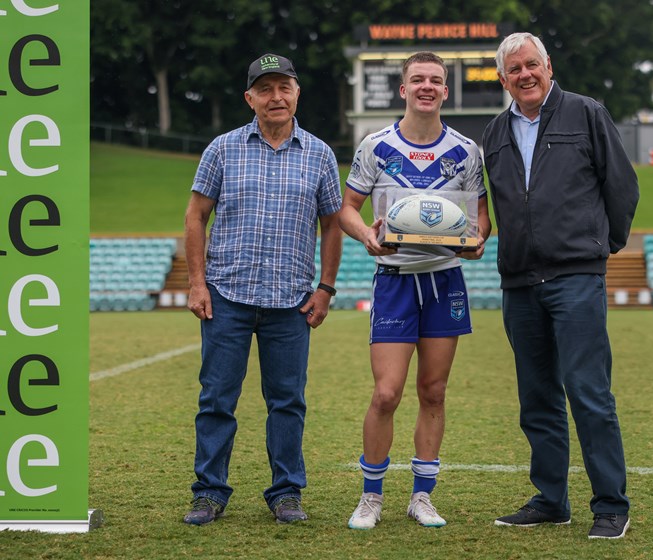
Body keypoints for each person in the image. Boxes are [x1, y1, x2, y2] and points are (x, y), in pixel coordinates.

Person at [482, 33, 639, 539]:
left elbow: (621, 185)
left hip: (575, 276)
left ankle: (610, 504)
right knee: (537, 398)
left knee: (588, 393)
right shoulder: (494, 132)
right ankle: (551, 500)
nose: (525, 75)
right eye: (514, 70)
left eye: (532, 65)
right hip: (519, 282)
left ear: (548, 65)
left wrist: (599, 245)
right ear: (503, 79)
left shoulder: (586, 113)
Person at [182, 53, 343, 526]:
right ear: (250, 97)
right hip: (227, 298)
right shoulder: (222, 149)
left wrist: (326, 288)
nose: (276, 97)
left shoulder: (319, 154)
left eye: (284, 88)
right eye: (266, 89)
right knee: (216, 401)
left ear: (297, 94)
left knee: (288, 402)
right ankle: (209, 492)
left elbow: (332, 224)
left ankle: (286, 493)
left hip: (291, 304)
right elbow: (196, 216)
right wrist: (197, 283)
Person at [339, 51, 491, 530]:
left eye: (436, 80)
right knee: (386, 394)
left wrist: (477, 241)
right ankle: (371, 497)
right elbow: (347, 208)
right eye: (418, 79)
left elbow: (481, 218)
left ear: (446, 91)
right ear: (404, 89)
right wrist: (367, 235)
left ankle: (422, 495)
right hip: (395, 281)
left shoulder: (467, 151)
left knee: (434, 390)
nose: (427, 86)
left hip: (445, 279)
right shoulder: (376, 146)